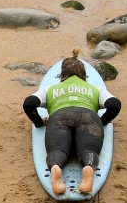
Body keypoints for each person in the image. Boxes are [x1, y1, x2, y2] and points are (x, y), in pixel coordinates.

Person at [22, 50, 121, 195]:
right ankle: (88, 168)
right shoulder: (95, 89)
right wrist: (102, 121)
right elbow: (114, 104)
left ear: (61, 75)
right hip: (88, 117)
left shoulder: (50, 89)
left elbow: (29, 103)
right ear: (84, 76)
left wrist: (38, 122)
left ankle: (55, 168)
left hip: (59, 118)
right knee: (89, 150)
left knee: (58, 150)